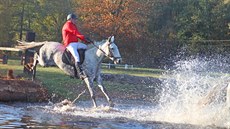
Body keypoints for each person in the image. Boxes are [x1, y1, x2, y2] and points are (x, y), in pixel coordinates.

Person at [62, 13, 92, 80]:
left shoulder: (73, 25)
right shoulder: (67, 25)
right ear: (70, 19)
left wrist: (86, 40)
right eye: (75, 19)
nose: (76, 20)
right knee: (76, 57)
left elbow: (78, 35)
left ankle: (85, 64)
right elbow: (76, 33)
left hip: (75, 43)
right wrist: (84, 37)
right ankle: (80, 74)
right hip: (69, 44)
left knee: (86, 47)